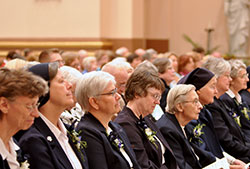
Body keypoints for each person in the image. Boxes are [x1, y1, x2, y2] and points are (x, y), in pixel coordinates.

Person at [19, 62, 89, 169]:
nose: (69, 85)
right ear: (43, 90)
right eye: (61, 81)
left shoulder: (66, 129)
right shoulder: (33, 140)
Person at [178, 67, 247, 168]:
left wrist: (233, 161)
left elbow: (216, 146)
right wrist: (229, 166)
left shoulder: (205, 112)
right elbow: (203, 155)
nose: (215, 91)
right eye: (212, 87)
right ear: (198, 91)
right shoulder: (189, 118)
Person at [114, 67, 179, 169]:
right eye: (154, 96)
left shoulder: (145, 118)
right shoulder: (125, 124)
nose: (157, 102)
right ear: (137, 94)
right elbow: (143, 165)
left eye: (159, 97)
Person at [75, 71, 141, 169]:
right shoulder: (87, 132)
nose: (118, 97)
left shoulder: (115, 127)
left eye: (116, 91)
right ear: (94, 102)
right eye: (112, 93)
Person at [204, 57, 250, 163]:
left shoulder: (219, 101)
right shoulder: (213, 104)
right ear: (215, 78)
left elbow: (239, 134)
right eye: (227, 76)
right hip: (236, 156)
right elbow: (226, 141)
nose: (230, 79)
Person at [0, 68, 48, 169]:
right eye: (29, 106)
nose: (36, 114)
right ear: (4, 105)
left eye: (36, 105)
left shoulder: (15, 146)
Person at [156, 84, 203, 169]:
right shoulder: (167, 129)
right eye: (195, 101)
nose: (200, 106)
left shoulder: (185, 125)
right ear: (180, 106)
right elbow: (181, 166)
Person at [220, 60, 250, 138]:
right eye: (243, 76)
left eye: (246, 75)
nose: (247, 79)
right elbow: (237, 131)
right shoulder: (226, 100)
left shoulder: (239, 98)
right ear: (232, 80)